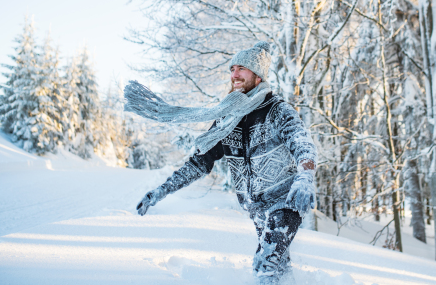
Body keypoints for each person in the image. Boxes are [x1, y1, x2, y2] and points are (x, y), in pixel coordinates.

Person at [123, 41, 317, 285]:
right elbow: (198, 163)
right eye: (232, 68)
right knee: (278, 271)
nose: (234, 74)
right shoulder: (228, 119)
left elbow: (302, 144)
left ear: (258, 76)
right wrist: (161, 191)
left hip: (284, 203)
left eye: (242, 68)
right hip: (256, 210)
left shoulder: (277, 111)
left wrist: (305, 175)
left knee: (265, 264)